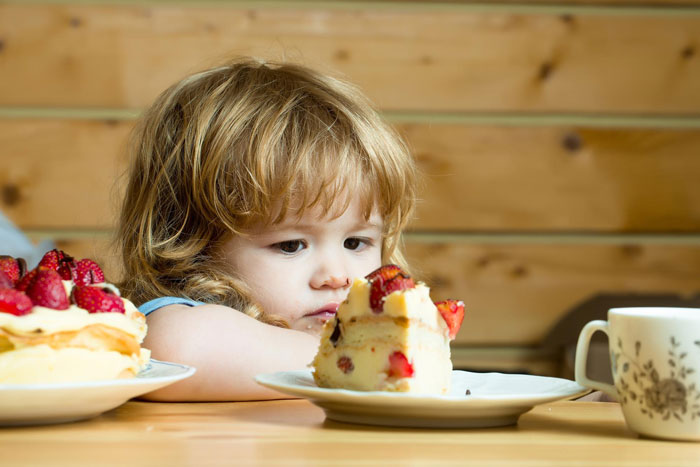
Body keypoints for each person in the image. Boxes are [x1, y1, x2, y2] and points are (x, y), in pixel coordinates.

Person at [115, 57, 419, 401]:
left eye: (355, 242)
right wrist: (380, 359)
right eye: (291, 245)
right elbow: (175, 349)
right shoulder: (179, 320)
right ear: (194, 243)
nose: (337, 276)